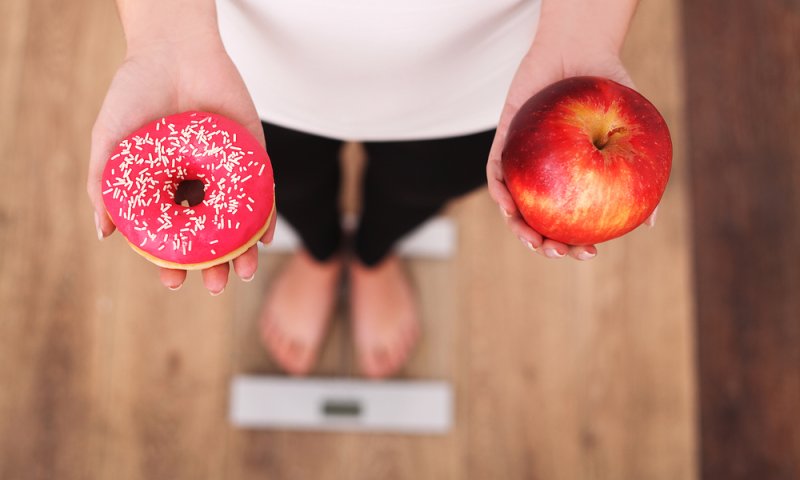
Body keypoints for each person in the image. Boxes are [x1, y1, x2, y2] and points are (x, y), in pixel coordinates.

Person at [87, 0, 654, 378]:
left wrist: (582, 31)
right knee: (288, 185)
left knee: (419, 186)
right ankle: (320, 251)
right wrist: (165, 36)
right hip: (232, 57)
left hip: (494, 66)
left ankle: (374, 255)